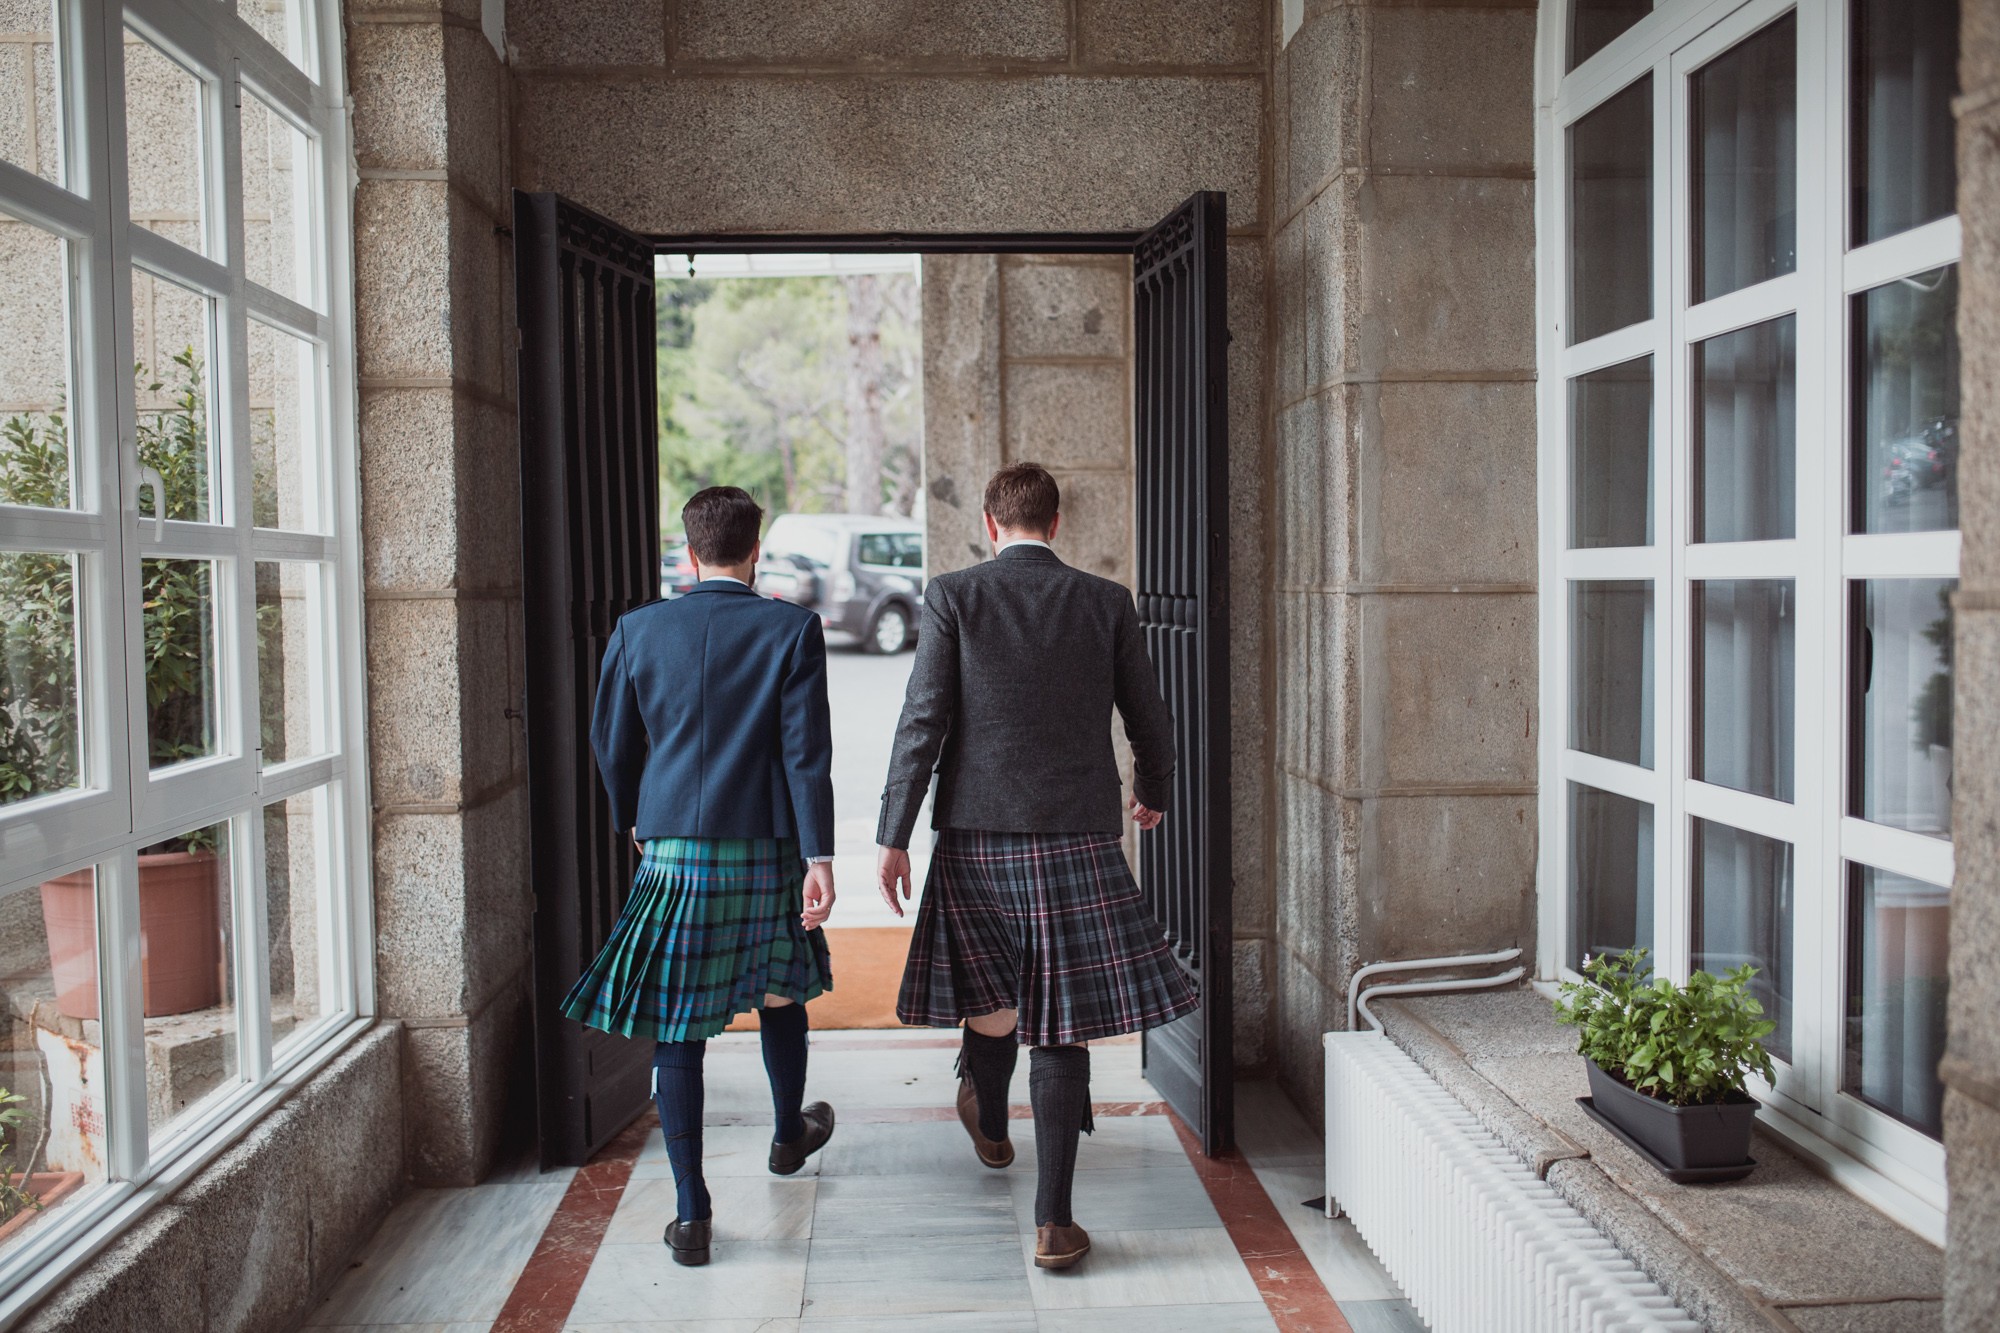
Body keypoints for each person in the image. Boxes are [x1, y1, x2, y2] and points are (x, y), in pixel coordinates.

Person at [875, 461, 1197, 1271]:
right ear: (1055, 524)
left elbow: (924, 719)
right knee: (1062, 1020)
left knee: (990, 996)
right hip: (1076, 835)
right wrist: (1151, 792)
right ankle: (1054, 1221)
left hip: (976, 834)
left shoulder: (953, 594)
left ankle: (988, 1117)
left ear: (991, 522)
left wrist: (893, 833)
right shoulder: (1104, 600)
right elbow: (1149, 717)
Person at [561, 485, 838, 1269]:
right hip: (768, 846)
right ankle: (788, 1135)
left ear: (689, 553)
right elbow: (805, 754)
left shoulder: (638, 629)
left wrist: (638, 816)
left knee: (679, 1023)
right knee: (782, 988)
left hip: (677, 846)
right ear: (757, 551)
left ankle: (692, 1215)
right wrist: (819, 857)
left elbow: (611, 741)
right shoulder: (793, 629)